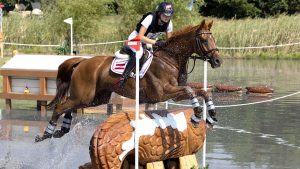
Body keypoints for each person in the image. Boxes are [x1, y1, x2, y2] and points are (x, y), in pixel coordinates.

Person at [116, 1, 174, 89]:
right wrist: (156, 42)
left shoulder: (169, 24)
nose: (167, 17)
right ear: (159, 13)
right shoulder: (150, 18)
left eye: (169, 15)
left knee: (155, 57)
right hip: (135, 39)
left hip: (148, 42)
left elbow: (169, 41)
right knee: (139, 53)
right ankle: (123, 77)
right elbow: (140, 37)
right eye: (165, 15)